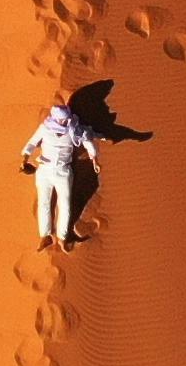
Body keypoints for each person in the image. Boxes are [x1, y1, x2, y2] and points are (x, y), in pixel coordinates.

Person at [22, 82, 149, 246]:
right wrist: (24, 160)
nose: (64, 122)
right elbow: (31, 143)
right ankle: (45, 236)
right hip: (45, 170)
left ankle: (62, 236)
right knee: (44, 202)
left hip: (63, 171)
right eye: (62, 120)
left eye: (65, 120)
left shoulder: (74, 129)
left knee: (65, 204)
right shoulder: (45, 128)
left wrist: (94, 159)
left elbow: (88, 140)